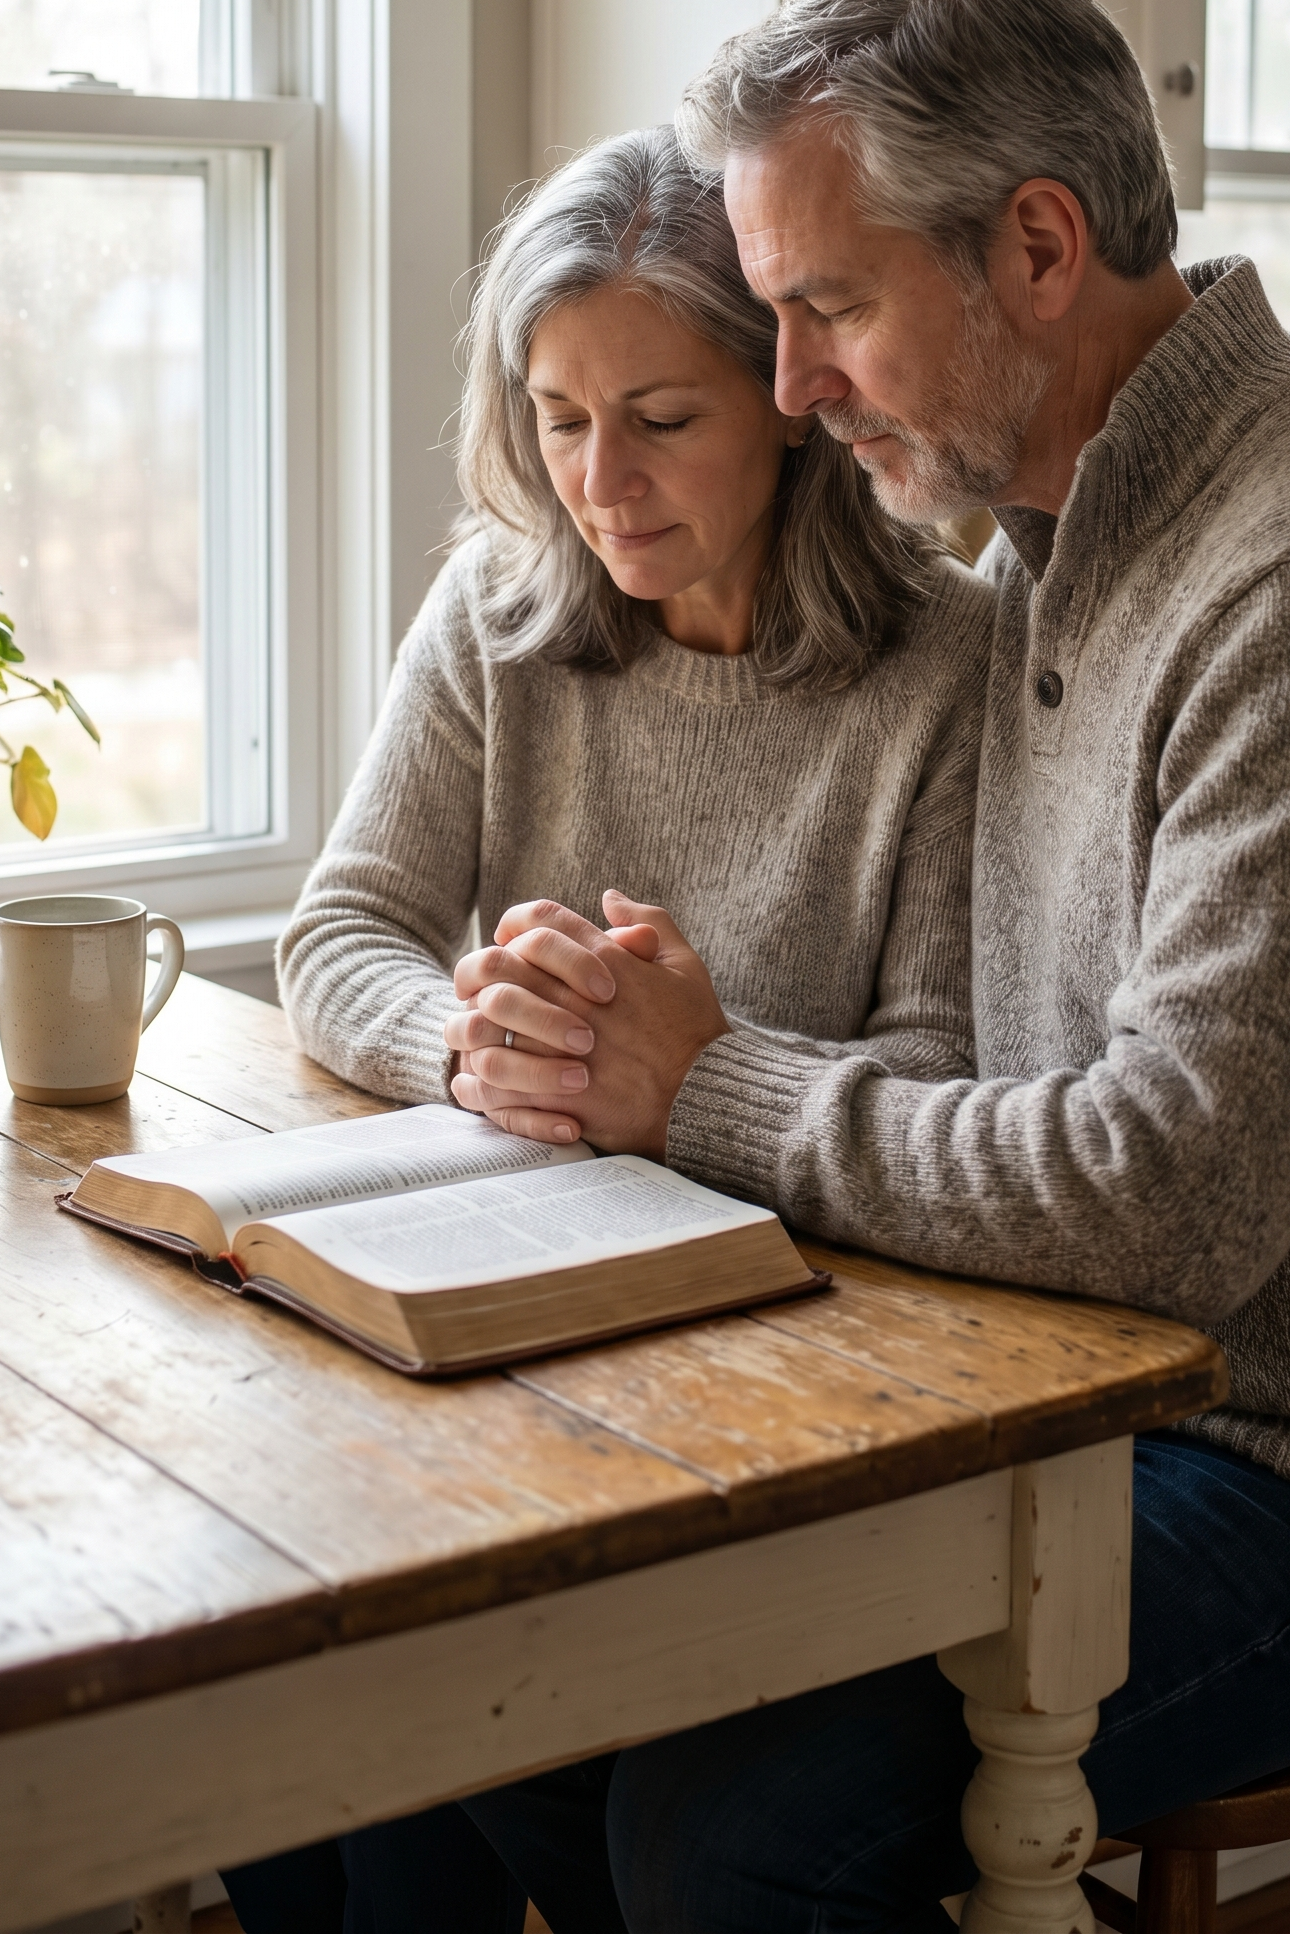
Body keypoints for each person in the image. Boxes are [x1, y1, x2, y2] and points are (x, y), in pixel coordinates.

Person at [458, 0, 1290, 1934]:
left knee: (722, 1832)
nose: (790, 386)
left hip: (1280, 1456)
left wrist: (708, 1083)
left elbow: (1174, 1191)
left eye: (831, 306)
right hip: (1048, 1383)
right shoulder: (1051, 540)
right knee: (523, 1689)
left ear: (1037, 248)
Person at [221, 124, 994, 1934]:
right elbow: (343, 931)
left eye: (659, 418)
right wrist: (481, 1044)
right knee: (277, 1666)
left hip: (795, 1366)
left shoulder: (947, 666)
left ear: (789, 402)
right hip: (519, 1323)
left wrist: (687, 1079)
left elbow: (944, 1066)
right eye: (558, 418)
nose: (598, 480)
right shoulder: (500, 609)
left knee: (453, 1704)